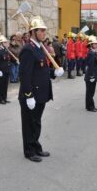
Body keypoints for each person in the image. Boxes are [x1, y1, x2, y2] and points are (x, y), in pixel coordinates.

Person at [18, 16, 64, 162]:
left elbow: (41, 70)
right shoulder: (28, 49)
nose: (44, 33)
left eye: (44, 30)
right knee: (29, 124)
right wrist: (28, 95)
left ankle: (36, 146)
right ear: (33, 32)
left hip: (41, 93)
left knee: (36, 122)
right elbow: (25, 75)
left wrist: (54, 73)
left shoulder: (39, 48)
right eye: (41, 30)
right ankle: (29, 151)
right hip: (31, 94)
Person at [85, 36, 97, 112]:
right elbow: (91, 65)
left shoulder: (94, 52)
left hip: (93, 74)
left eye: (96, 44)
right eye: (95, 44)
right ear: (91, 44)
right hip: (91, 75)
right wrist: (92, 76)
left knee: (90, 92)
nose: (96, 45)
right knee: (90, 92)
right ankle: (90, 107)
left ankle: (89, 106)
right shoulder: (91, 53)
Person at [0, 35, 11, 104]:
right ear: (1, 43)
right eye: (4, 42)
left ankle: (4, 98)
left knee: (5, 85)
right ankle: (0, 99)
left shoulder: (5, 50)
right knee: (0, 85)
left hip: (6, 70)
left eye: (6, 42)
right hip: (1, 71)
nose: (6, 43)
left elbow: (7, 60)